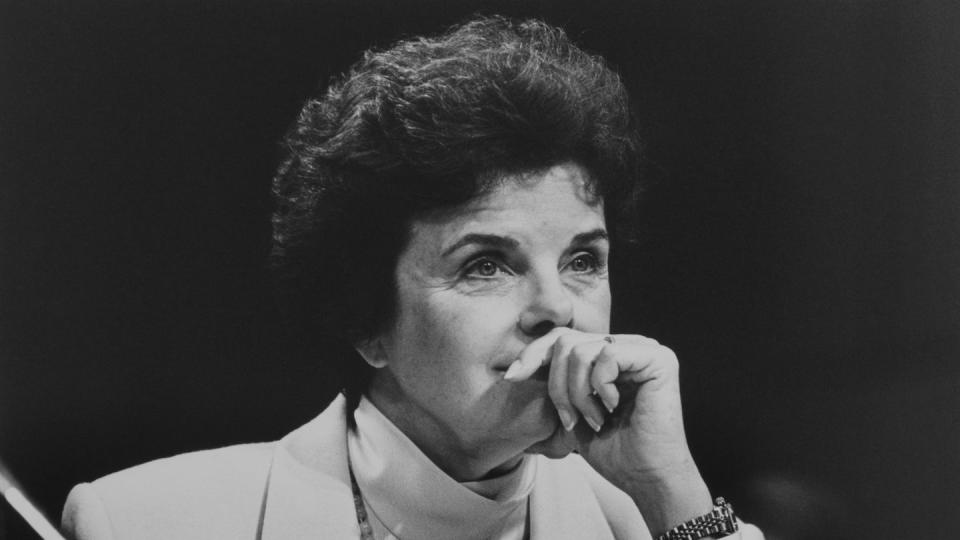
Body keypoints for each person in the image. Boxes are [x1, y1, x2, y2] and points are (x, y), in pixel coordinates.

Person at [62, 16, 764, 540]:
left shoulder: (653, 523)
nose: (558, 308)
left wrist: (670, 489)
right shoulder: (142, 523)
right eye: (485, 264)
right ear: (365, 318)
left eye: (584, 260)